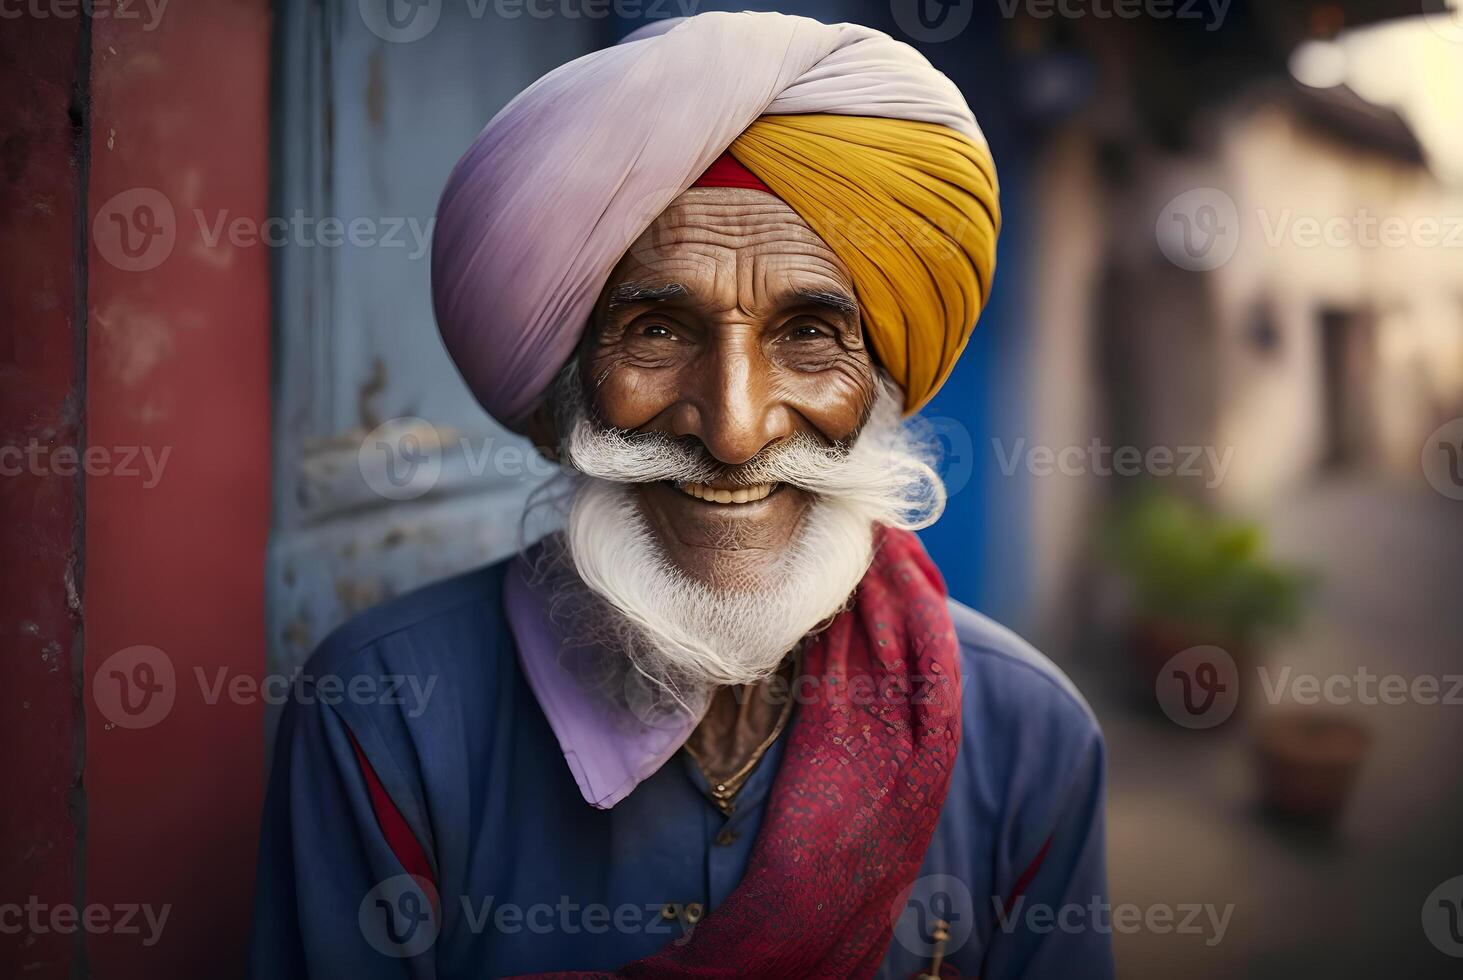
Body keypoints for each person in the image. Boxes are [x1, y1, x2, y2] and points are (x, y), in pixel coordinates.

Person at [248, 12, 1111, 978]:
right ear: (565, 389)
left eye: (811, 336)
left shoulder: (1030, 738)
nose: (734, 430)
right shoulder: (385, 715)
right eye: (656, 332)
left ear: (881, 390)